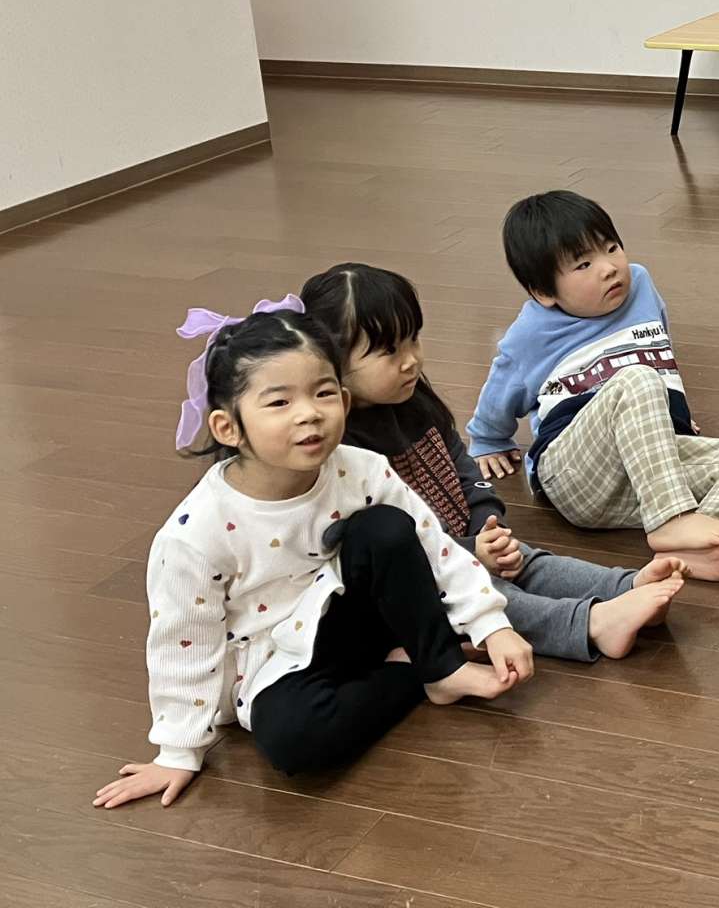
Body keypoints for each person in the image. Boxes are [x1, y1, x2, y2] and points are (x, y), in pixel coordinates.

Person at [95, 302, 533, 808]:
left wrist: (491, 624)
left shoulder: (361, 468)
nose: (309, 413)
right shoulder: (193, 536)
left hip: (348, 614)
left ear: (344, 400)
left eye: (323, 393)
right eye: (279, 402)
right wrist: (178, 751)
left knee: (387, 527)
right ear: (228, 427)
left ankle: (440, 667)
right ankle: (415, 671)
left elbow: (436, 549)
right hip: (273, 662)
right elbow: (183, 642)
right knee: (293, 741)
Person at [302, 263, 687, 662]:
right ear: (331, 362)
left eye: (413, 339)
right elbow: (383, 554)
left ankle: (625, 586)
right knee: (489, 594)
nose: (411, 360)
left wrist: (487, 524)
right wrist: (469, 552)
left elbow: (461, 463)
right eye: (389, 352)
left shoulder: (414, 400)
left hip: (466, 542)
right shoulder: (340, 449)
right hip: (422, 576)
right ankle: (591, 623)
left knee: (526, 561)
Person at [466, 191, 719, 579]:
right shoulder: (532, 331)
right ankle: (672, 520)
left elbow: (658, 349)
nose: (609, 268)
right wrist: (487, 438)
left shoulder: (641, 285)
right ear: (544, 292)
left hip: (650, 477)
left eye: (611, 248)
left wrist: (672, 415)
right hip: (576, 475)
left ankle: (688, 551)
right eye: (583, 264)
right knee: (637, 376)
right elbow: (503, 385)